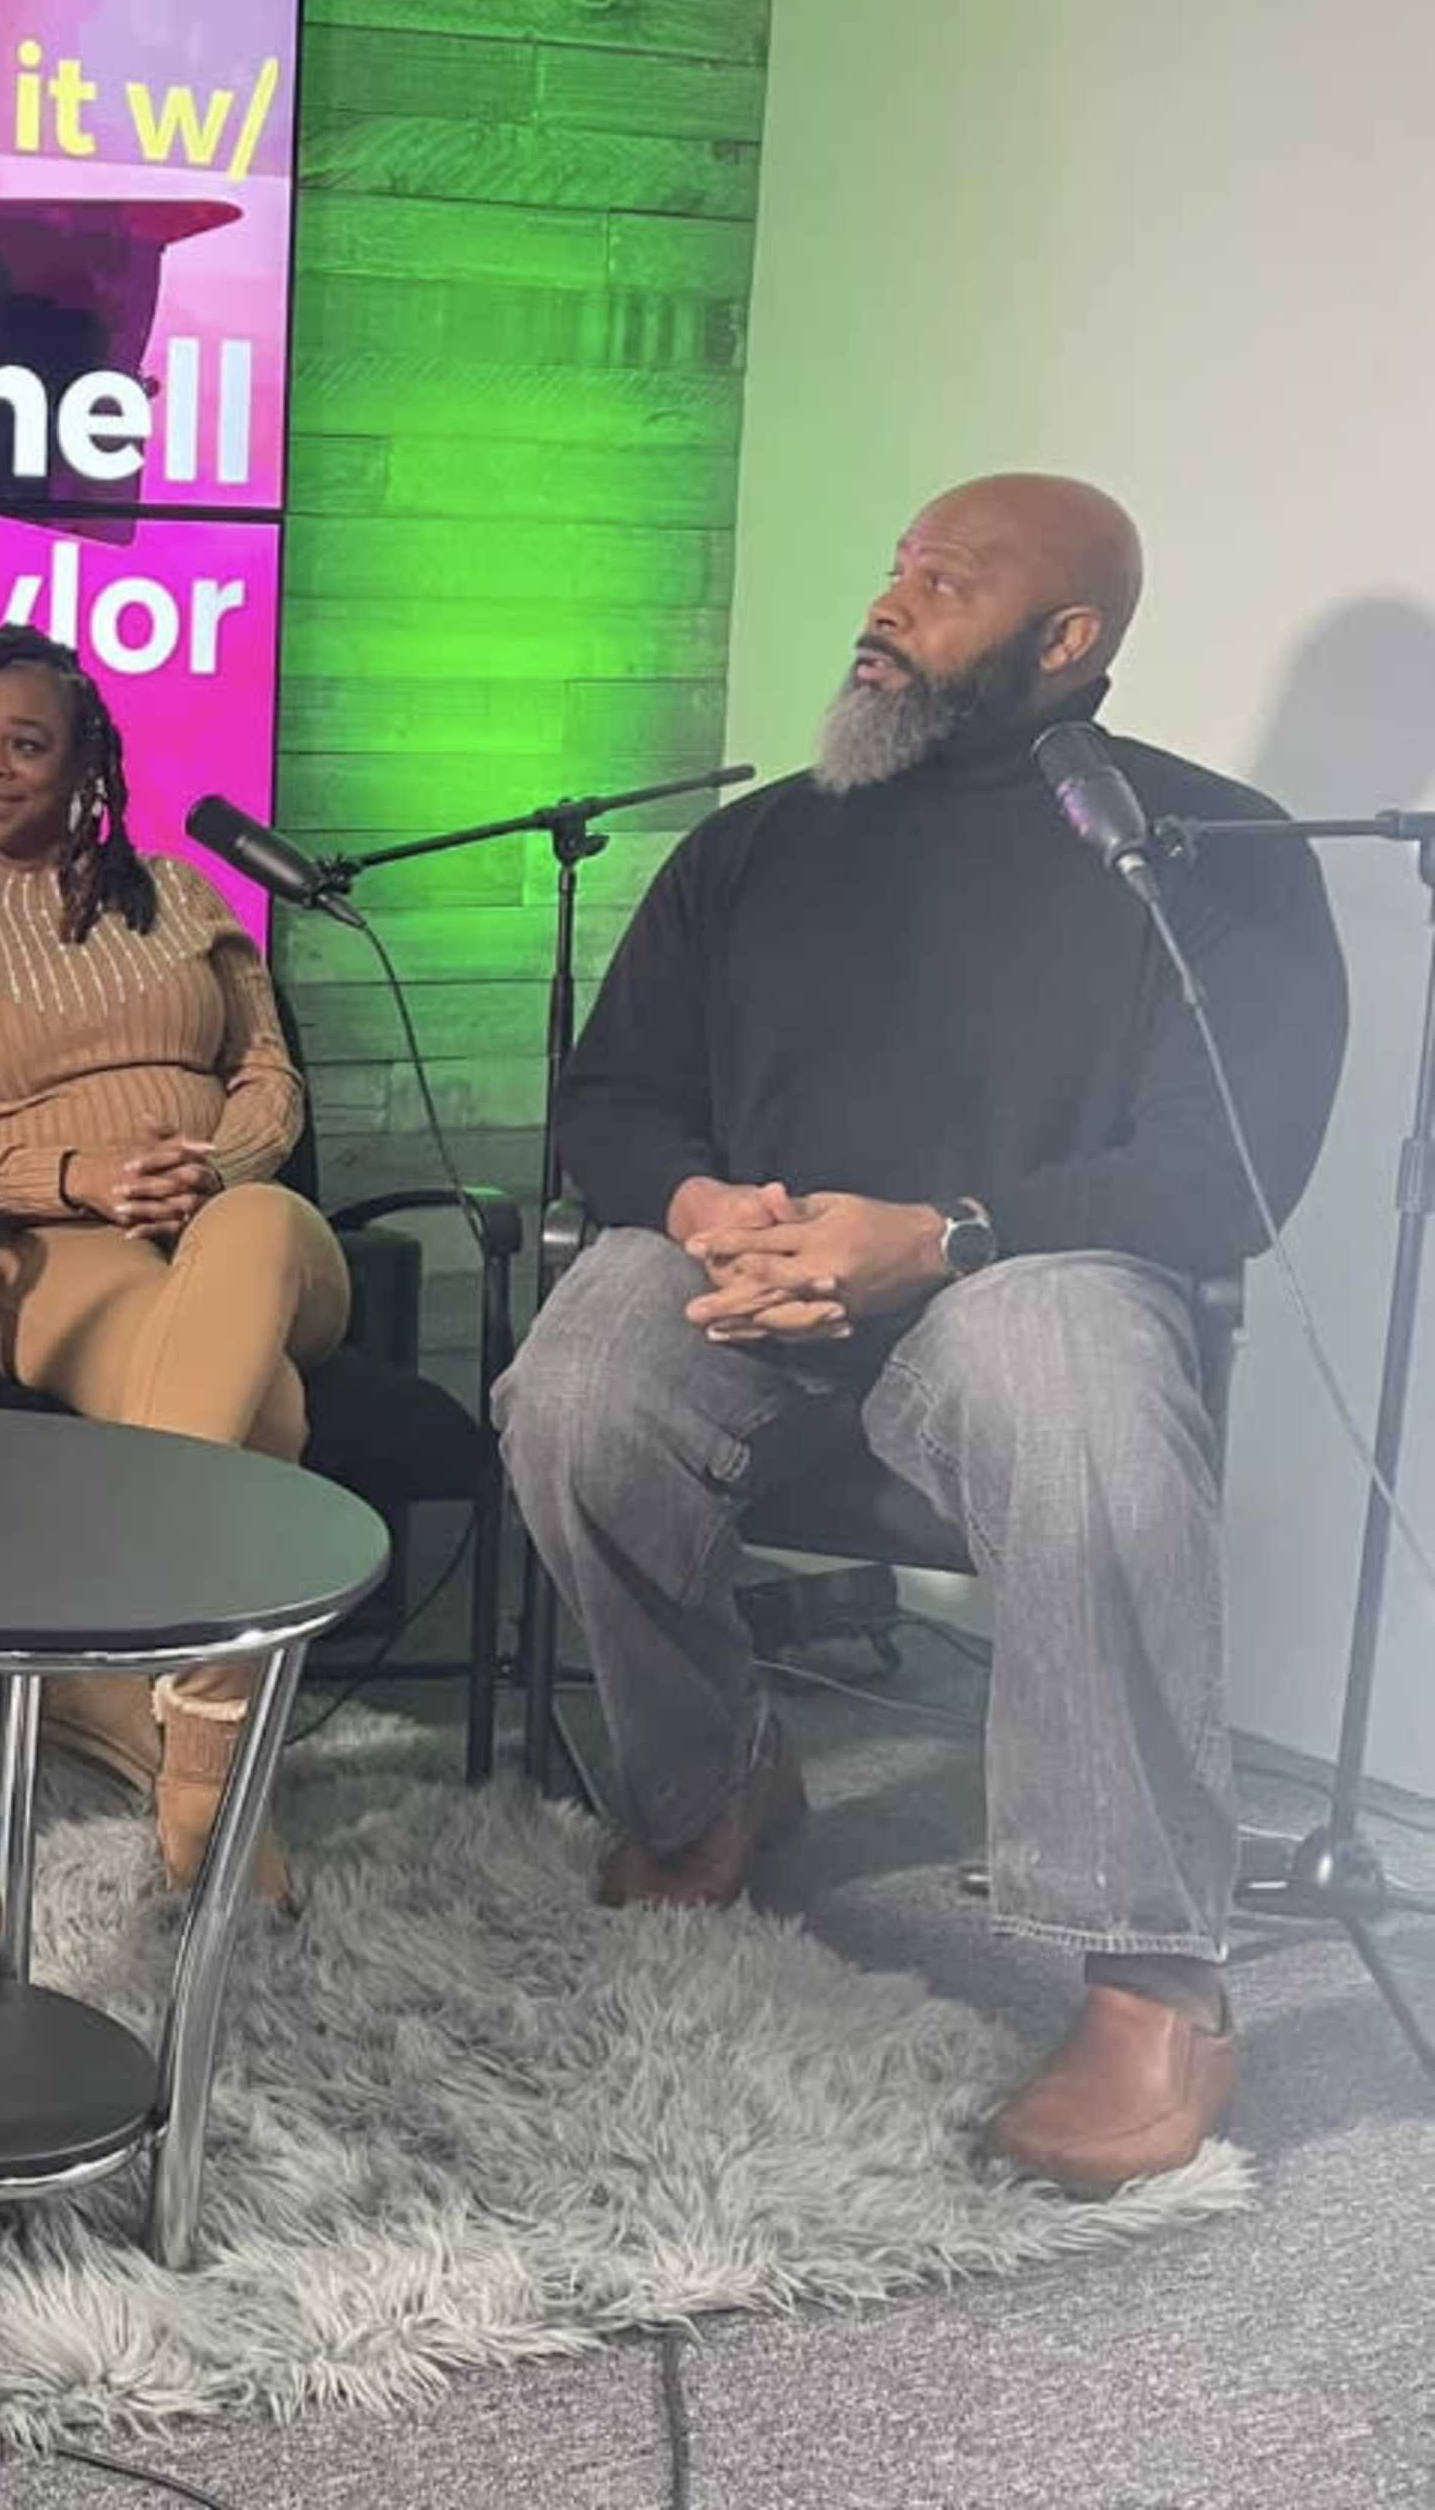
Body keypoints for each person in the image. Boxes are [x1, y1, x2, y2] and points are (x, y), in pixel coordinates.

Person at [495, 473, 1349, 2195]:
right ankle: (714, 1784)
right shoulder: (758, 842)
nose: (891, 599)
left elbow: (1226, 1165)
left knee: (1080, 1369)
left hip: (1010, 1284)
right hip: (759, 1276)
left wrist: (943, 1237)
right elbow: (616, 1094)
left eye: (947, 583)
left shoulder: (1204, 854)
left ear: (1069, 639)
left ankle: (1150, 1983)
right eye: (896, 565)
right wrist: (703, 1210)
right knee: (575, 1379)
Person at [0, 629, 349, 1905]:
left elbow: (269, 1075)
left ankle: (118, 1659)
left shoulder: (179, 896)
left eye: (26, 743)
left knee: (252, 1237)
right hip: (40, 1254)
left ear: (86, 770)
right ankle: (201, 1752)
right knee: (265, 1408)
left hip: (241, 1226)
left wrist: (218, 1167)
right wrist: (66, 1180)